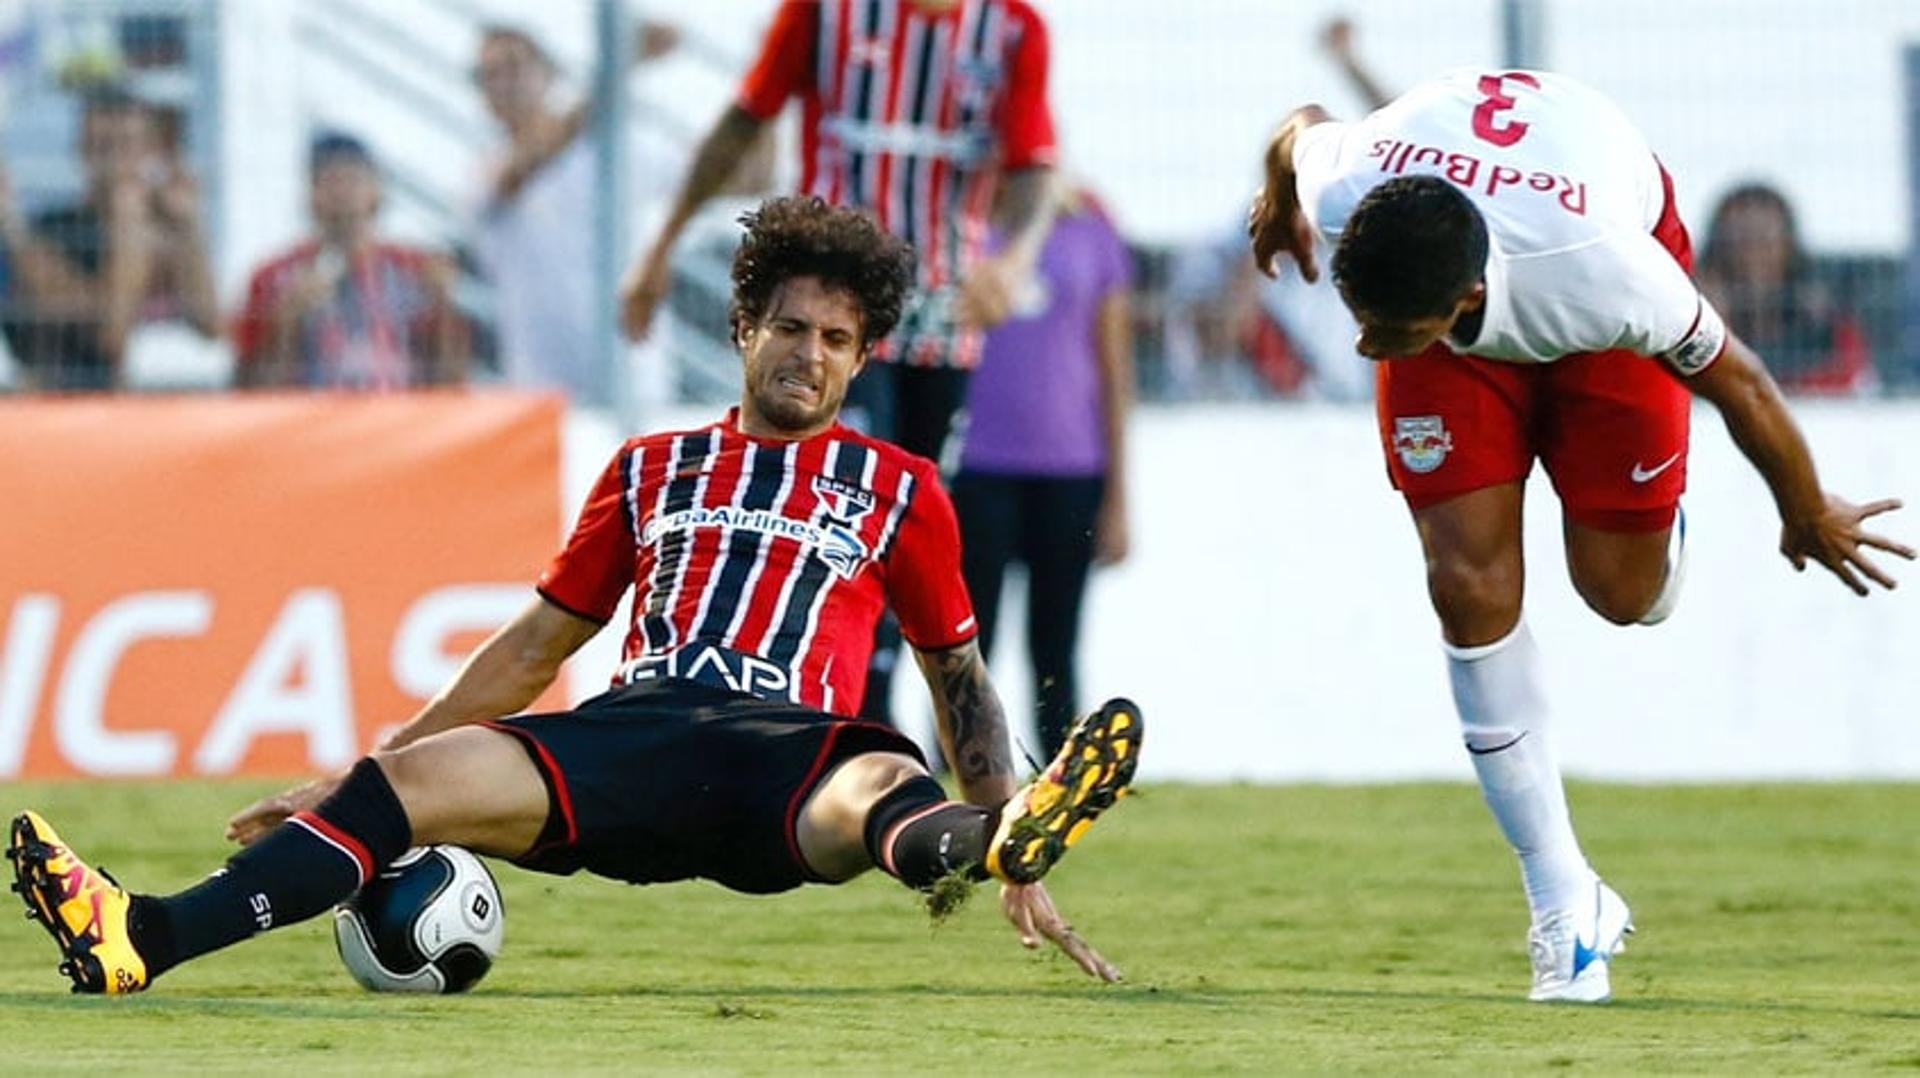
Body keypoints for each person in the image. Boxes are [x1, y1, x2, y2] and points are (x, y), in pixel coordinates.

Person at [8, 196, 1140, 995]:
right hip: (630, 738)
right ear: (744, 328)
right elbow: (538, 639)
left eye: (838, 340)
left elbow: (959, 678)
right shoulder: (650, 466)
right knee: (396, 790)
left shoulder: (899, 488)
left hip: (792, 750)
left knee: (885, 781)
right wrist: (364, 767)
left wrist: (1010, 836)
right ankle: (139, 935)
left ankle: (984, 843)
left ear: (860, 360)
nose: (809, 353)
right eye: (791, 327)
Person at [1246, 69, 1913, 1003]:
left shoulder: (1610, 273)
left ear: (1469, 290)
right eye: (1364, 323)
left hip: (1592, 292)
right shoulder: (1352, 183)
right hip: (1464, 292)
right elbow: (1300, 127)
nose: (1365, 347)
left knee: (1620, 592)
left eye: (1386, 332)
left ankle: (1643, 510)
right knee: (1467, 584)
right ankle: (1567, 906)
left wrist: (1804, 508)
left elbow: (1745, 382)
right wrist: (1280, 207)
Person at [618, 0, 1062, 725]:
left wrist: (1014, 259)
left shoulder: (1012, 29)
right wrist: (662, 243)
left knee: (910, 523)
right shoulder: (825, 13)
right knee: (848, 506)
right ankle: (847, 726)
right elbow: (744, 119)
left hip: (942, 320)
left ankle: (879, 739)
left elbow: (1034, 166)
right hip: (833, 315)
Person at [469, 21, 772, 405]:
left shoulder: (617, 146)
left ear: (548, 72)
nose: (501, 83)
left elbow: (745, 178)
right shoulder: (481, 171)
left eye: (513, 66)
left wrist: (766, 86)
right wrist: (621, 63)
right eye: (487, 75)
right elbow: (526, 164)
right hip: (541, 401)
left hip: (635, 389)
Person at [954, 177, 1133, 759]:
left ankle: (1059, 779)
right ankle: (958, 775)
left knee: (1055, 646)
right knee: (963, 644)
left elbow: (1114, 369)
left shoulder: (1091, 226)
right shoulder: (960, 220)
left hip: (1071, 469)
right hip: (975, 466)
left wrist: (1119, 496)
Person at [0, 85, 218, 391]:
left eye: (126, 144)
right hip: (58, 406)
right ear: (81, 149)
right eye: (103, 145)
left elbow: (211, 326)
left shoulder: (168, 225)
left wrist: (190, 225)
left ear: (153, 150)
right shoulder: (52, 231)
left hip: (150, 411)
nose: (115, 160)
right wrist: (129, 222)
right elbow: (112, 338)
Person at [232, 133, 466, 390]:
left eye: (353, 180)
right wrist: (286, 323)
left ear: (376, 190)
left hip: (398, 425)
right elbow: (247, 389)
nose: (343, 194)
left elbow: (451, 381)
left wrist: (443, 306)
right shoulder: (273, 277)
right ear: (311, 193)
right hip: (310, 426)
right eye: (330, 181)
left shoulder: (416, 269)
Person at [1696, 182, 1876, 396]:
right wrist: (1710, 324)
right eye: (1741, 240)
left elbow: (1850, 388)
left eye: (1764, 240)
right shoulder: (1697, 321)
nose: (1752, 255)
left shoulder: (1827, 328)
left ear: (1788, 246)